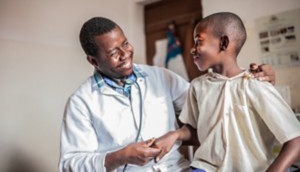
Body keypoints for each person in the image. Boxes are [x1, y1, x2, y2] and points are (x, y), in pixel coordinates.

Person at [59, 16, 276, 172]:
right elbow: (70, 164)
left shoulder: (162, 77)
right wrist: (120, 157)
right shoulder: (81, 102)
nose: (126, 54)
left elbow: (211, 111)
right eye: (114, 53)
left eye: (125, 43)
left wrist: (257, 81)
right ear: (93, 60)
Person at [153, 12, 300, 172]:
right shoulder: (197, 86)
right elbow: (197, 131)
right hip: (206, 168)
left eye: (198, 42)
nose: (192, 50)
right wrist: (176, 135)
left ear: (223, 43)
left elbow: (295, 139)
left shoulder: (256, 85)